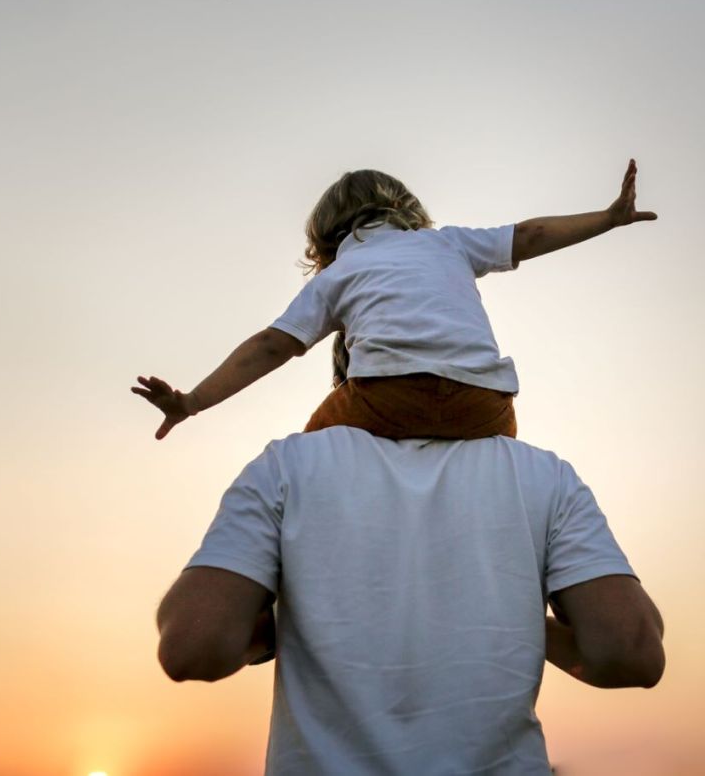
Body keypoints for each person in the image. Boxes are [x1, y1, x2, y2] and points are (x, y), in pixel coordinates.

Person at [155, 428, 665, 774]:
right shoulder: (544, 477)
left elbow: (193, 646)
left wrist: (293, 617)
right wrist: (502, 609)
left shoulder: (286, 466)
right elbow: (628, 650)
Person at [132, 161, 656, 441]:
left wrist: (193, 401)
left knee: (307, 457)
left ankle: (272, 598)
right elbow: (530, 234)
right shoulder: (447, 242)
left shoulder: (341, 272)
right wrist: (606, 219)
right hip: (487, 409)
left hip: (385, 398)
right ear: (407, 208)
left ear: (326, 233)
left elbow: (272, 346)